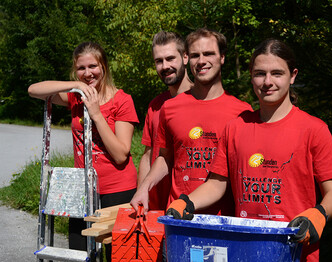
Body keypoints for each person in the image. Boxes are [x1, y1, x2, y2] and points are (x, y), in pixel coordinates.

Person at [166, 39, 332, 262]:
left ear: (293, 76)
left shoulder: (314, 130)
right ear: (251, 75)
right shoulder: (235, 127)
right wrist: (186, 202)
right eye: (260, 73)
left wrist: (318, 214)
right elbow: (217, 184)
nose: (267, 82)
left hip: (293, 250)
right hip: (245, 249)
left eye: (277, 73)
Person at [28, 42, 139, 262]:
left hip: (117, 189)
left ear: (104, 66)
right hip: (83, 189)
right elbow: (34, 90)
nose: (88, 73)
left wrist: (97, 114)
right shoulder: (75, 97)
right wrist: (74, 85)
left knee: (116, 255)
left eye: (93, 66)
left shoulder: (122, 100)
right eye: (81, 68)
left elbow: (120, 154)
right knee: (79, 252)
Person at [130, 28, 252, 215]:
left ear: (222, 57)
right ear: (187, 58)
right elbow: (164, 157)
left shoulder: (243, 112)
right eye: (195, 55)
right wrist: (144, 187)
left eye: (209, 54)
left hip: (222, 219)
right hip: (177, 215)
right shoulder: (170, 108)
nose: (202, 61)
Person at [138, 31, 193, 211]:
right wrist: (141, 194)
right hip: (156, 206)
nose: (165, 66)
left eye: (170, 58)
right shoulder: (155, 106)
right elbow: (147, 156)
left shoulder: (202, 101)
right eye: (159, 61)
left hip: (187, 207)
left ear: (185, 57)